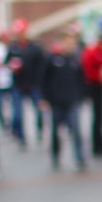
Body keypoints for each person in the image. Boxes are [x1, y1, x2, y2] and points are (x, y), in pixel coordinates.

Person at [41, 32, 89, 172]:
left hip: (72, 101)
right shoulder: (52, 58)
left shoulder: (75, 59)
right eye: (69, 41)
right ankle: (55, 155)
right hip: (56, 101)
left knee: (76, 130)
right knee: (56, 131)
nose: (71, 45)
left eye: (73, 42)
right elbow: (44, 79)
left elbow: (81, 79)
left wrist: (82, 96)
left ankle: (79, 157)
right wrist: (45, 98)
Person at [7, 20, 47, 148]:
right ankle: (21, 137)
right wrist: (12, 66)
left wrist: (41, 84)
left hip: (33, 84)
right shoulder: (13, 48)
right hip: (18, 83)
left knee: (39, 111)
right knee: (17, 113)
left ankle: (39, 131)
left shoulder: (35, 47)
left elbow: (42, 66)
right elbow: (7, 62)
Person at [80, 31, 102, 158]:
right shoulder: (93, 51)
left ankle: (101, 144)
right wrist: (99, 77)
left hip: (101, 87)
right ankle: (96, 146)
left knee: (101, 117)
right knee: (97, 117)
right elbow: (88, 70)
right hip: (93, 86)